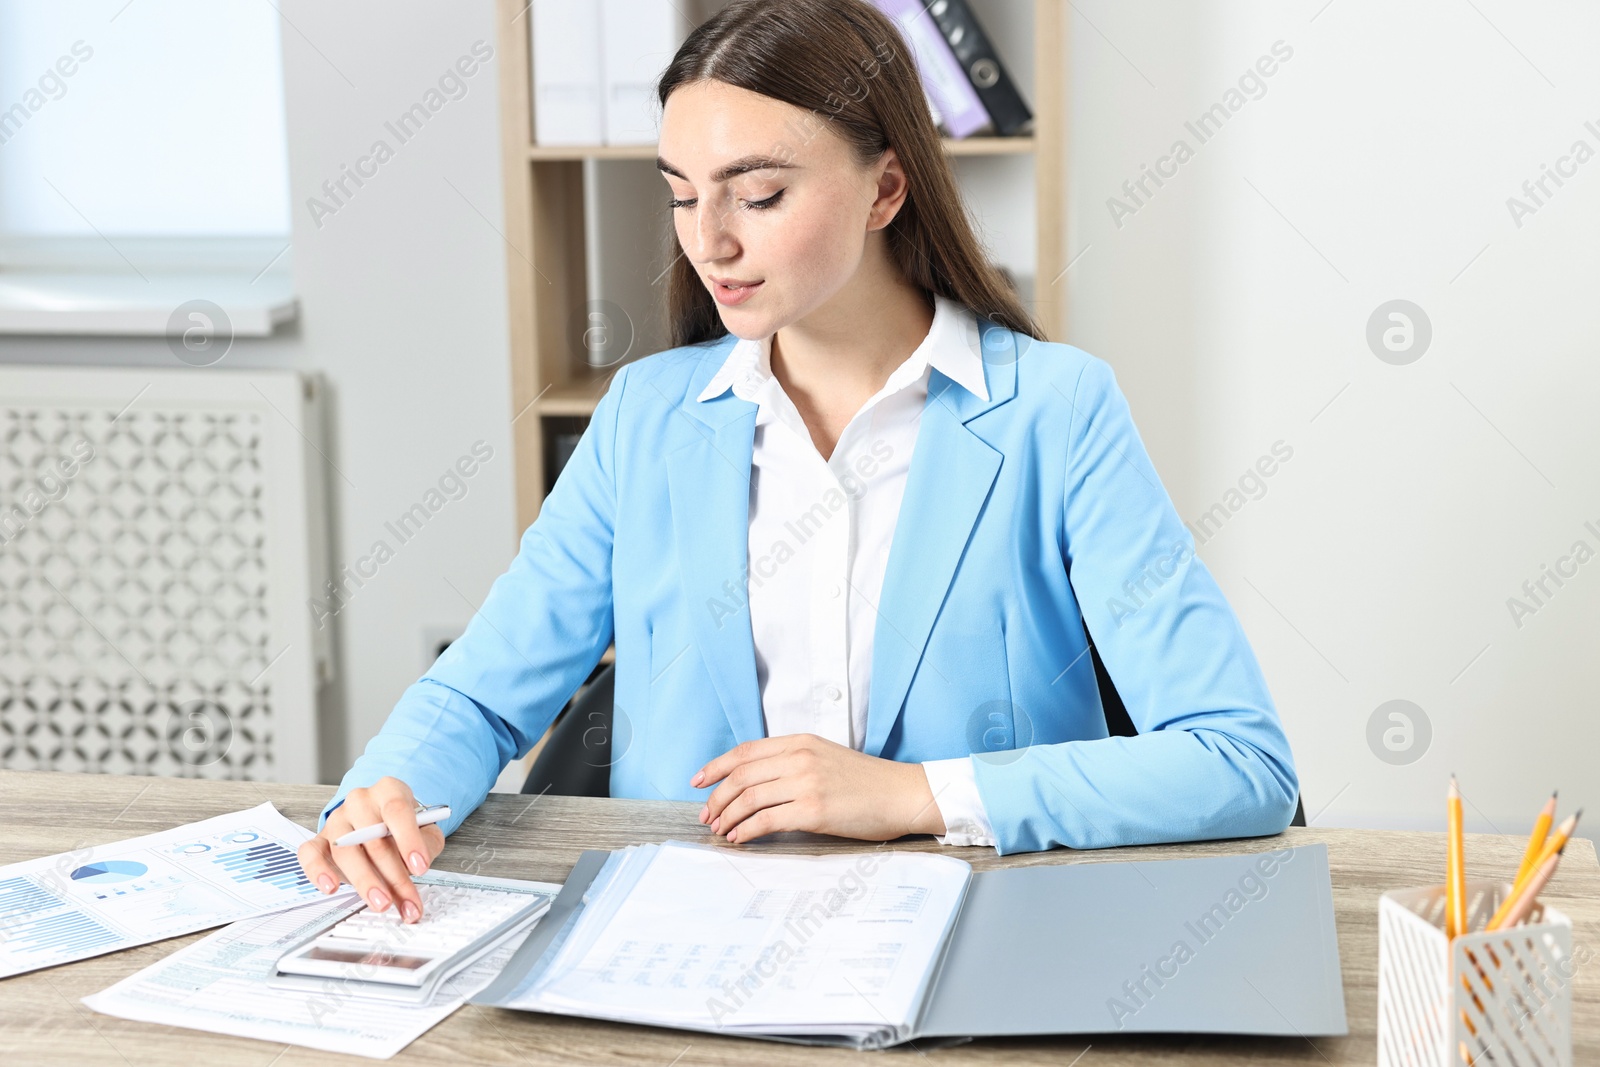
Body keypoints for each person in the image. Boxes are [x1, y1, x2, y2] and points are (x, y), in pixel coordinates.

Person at [298, 0, 1299, 925]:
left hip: (978, 929)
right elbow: (478, 692)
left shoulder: (1055, 410)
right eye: (683, 198)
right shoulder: (646, 418)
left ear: (886, 187)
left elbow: (1235, 758)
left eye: (760, 194)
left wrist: (915, 793)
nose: (710, 241)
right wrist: (384, 792)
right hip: (683, 939)